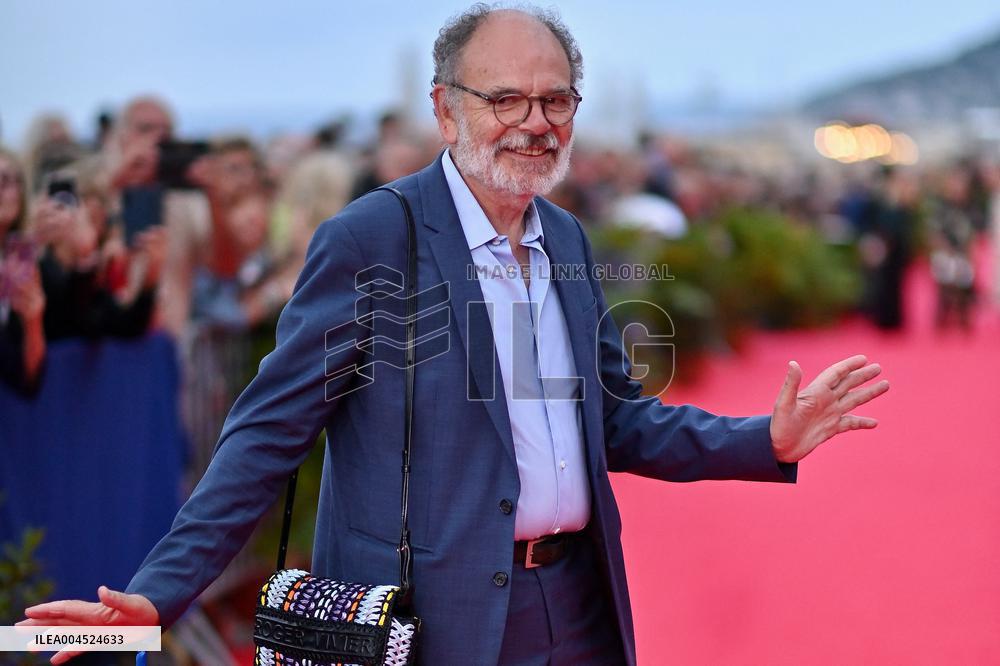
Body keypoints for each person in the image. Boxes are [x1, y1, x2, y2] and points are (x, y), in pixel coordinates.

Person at [20, 6, 889, 665]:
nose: (534, 120)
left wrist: (762, 439)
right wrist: (155, 594)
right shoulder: (372, 239)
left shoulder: (569, 240)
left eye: (555, 99)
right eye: (505, 97)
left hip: (580, 604)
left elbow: (617, 419)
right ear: (445, 110)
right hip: (428, 626)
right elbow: (265, 435)